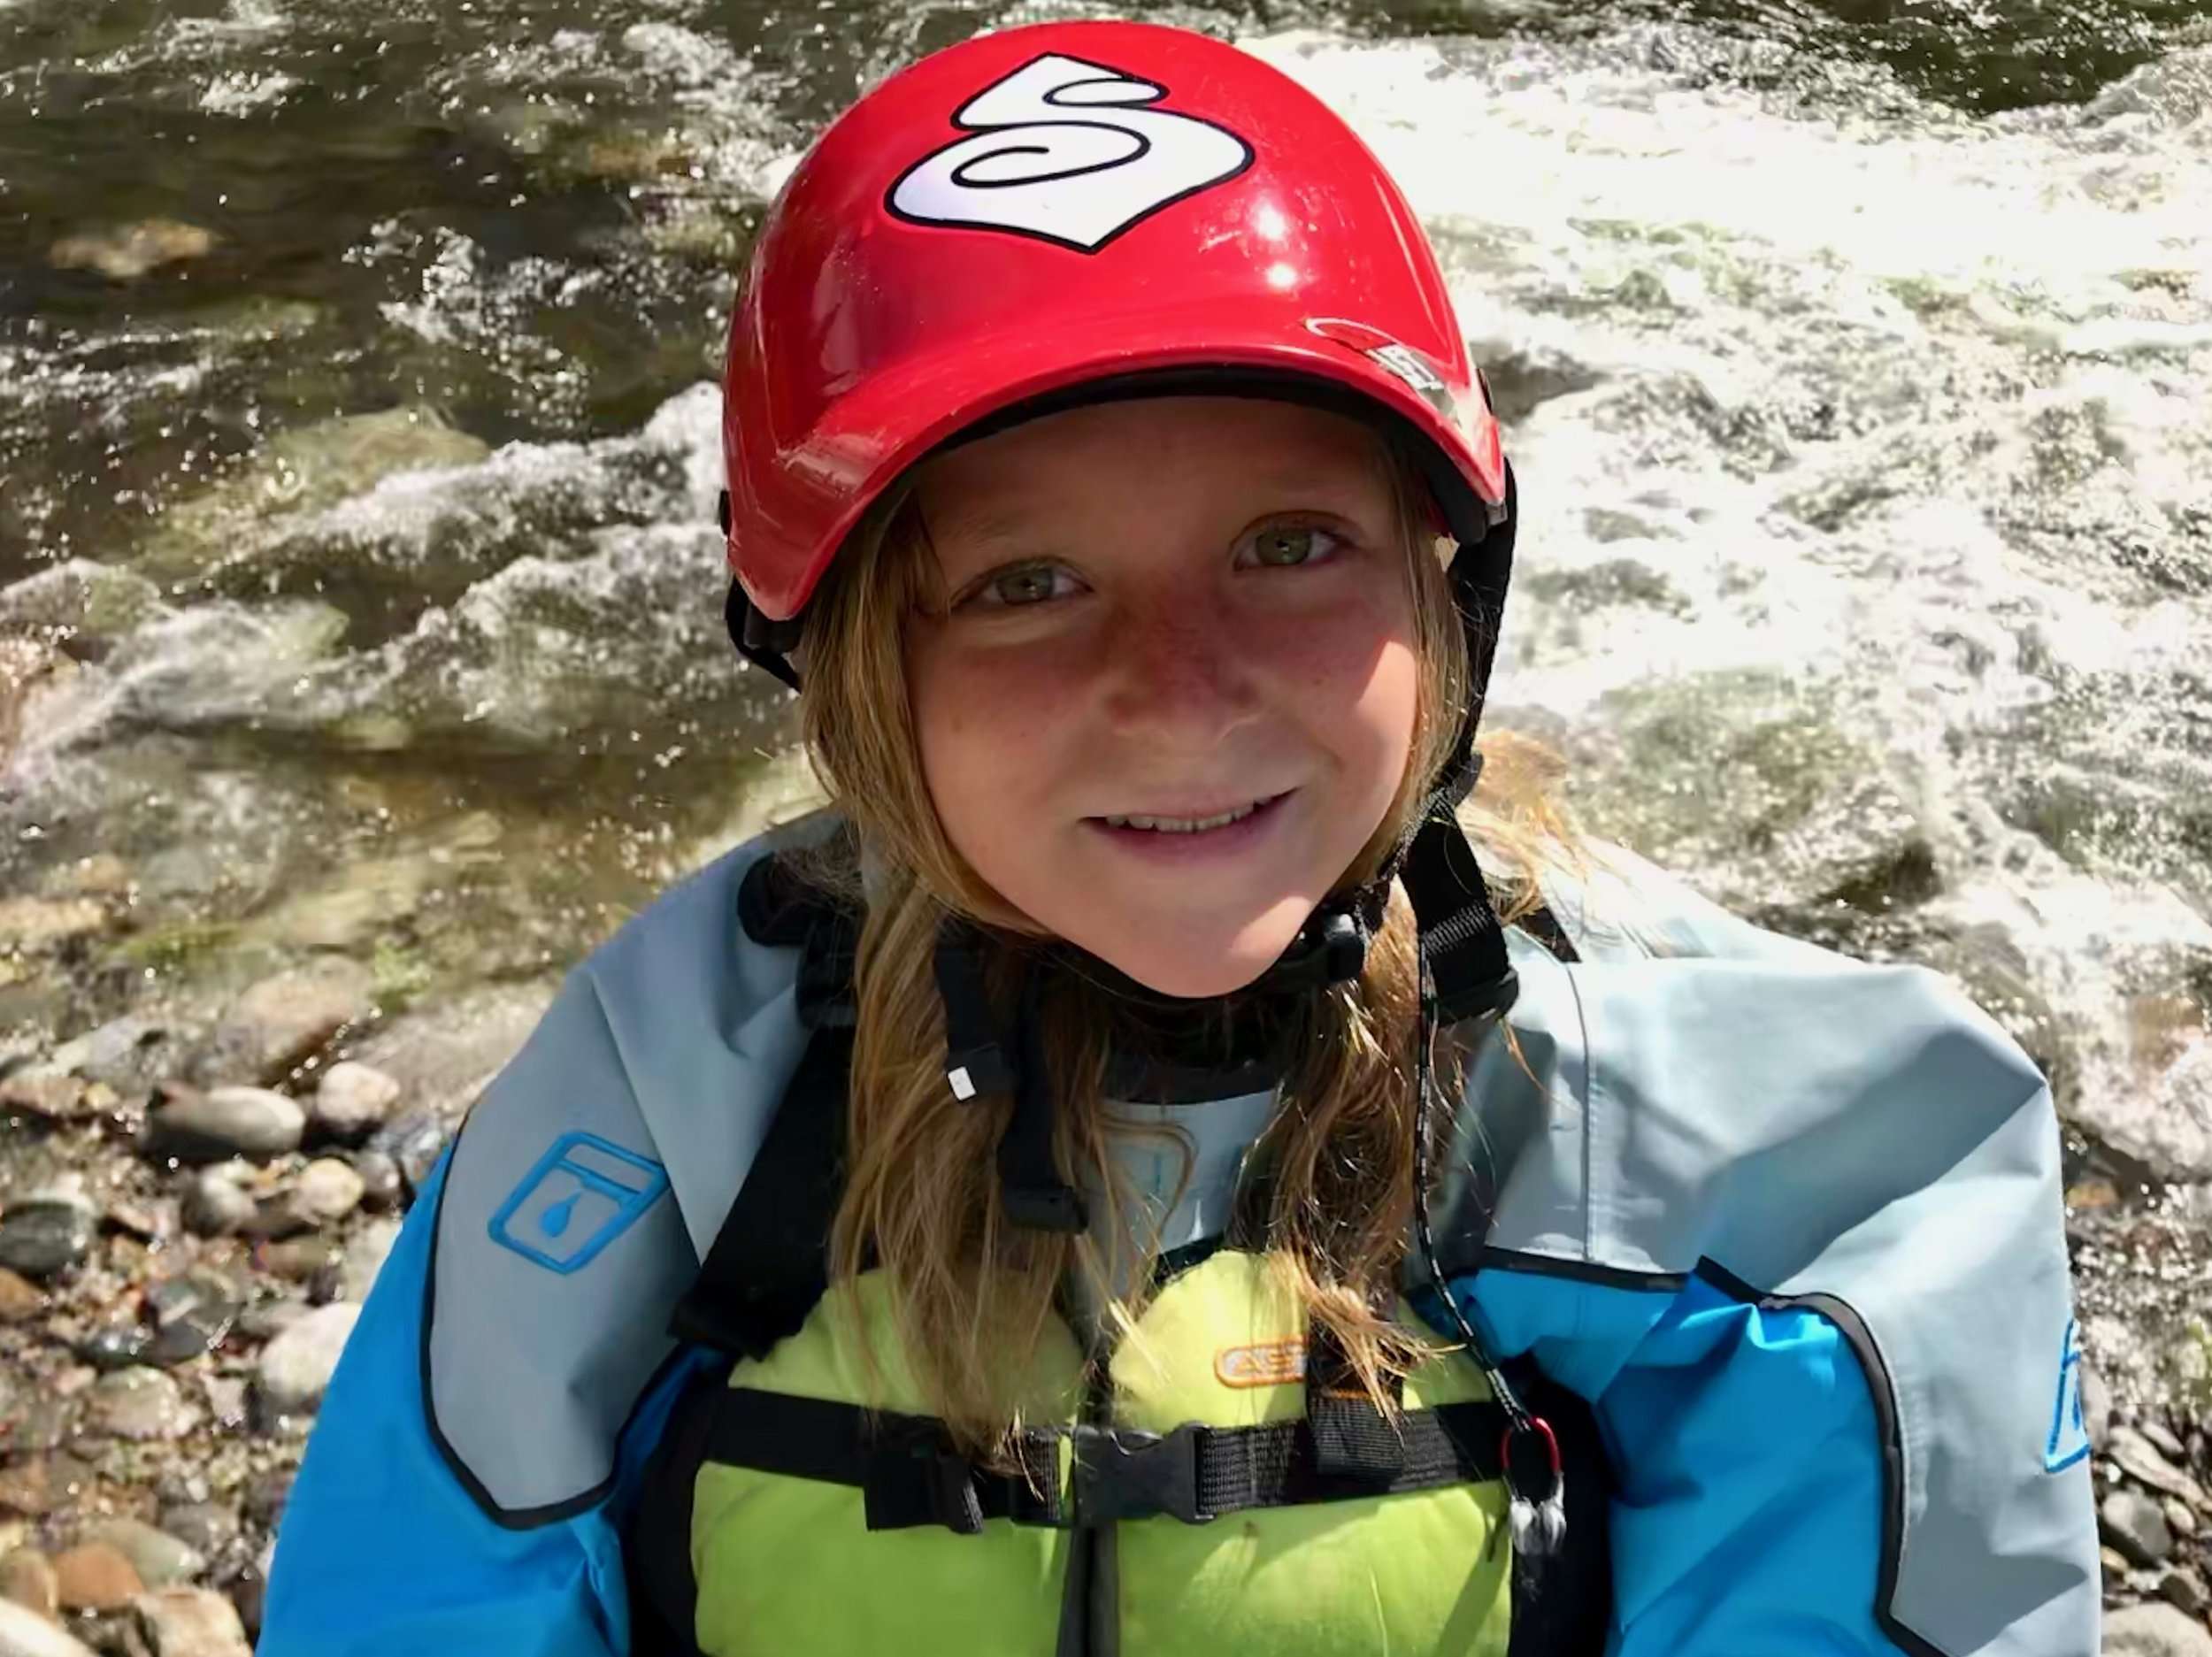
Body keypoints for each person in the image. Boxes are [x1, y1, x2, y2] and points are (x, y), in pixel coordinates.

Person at [257, 19, 2100, 1655]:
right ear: (849, 677)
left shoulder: (1762, 1142)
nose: (1178, 687)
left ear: (1446, 592)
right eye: (1027, 582)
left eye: (1286, 546)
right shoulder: (677, 1094)